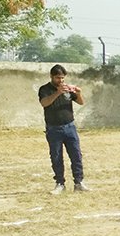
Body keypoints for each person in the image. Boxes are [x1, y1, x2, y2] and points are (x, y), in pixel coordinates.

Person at [38, 64, 88, 194]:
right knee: (56, 156)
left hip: (70, 127)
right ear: (51, 76)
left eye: (62, 78)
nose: (60, 80)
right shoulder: (45, 89)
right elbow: (44, 103)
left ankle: (79, 182)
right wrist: (58, 92)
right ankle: (60, 183)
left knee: (76, 155)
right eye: (57, 78)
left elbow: (81, 102)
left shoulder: (68, 89)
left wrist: (78, 93)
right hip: (53, 129)